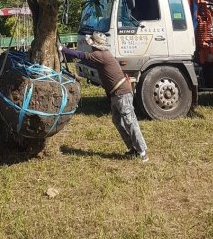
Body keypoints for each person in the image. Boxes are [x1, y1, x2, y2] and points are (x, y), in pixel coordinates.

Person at [60, 32, 148, 162]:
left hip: (121, 93)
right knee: (117, 120)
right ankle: (133, 148)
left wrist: (63, 49)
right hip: (116, 93)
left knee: (130, 121)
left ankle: (142, 151)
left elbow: (81, 55)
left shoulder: (100, 55)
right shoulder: (102, 55)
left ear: (95, 45)